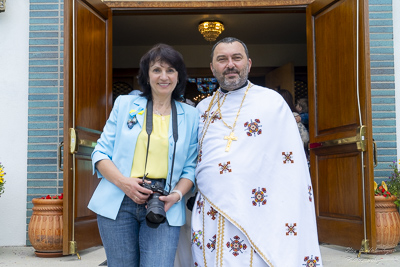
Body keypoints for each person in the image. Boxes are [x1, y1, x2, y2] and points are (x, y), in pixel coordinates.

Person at [191, 37, 322, 266]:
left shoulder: (271, 102)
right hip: (209, 208)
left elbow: (290, 163)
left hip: (258, 208)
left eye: (236, 58)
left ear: (248, 64)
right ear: (213, 68)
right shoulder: (203, 108)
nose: (230, 64)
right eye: (222, 59)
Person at [88, 43, 198, 267]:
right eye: (156, 70)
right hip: (118, 200)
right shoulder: (125, 104)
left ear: (179, 76)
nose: (163, 76)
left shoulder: (192, 115)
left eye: (170, 70)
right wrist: (125, 183)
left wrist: (176, 195)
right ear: (147, 75)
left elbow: (191, 167)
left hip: (164, 203)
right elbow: (100, 153)